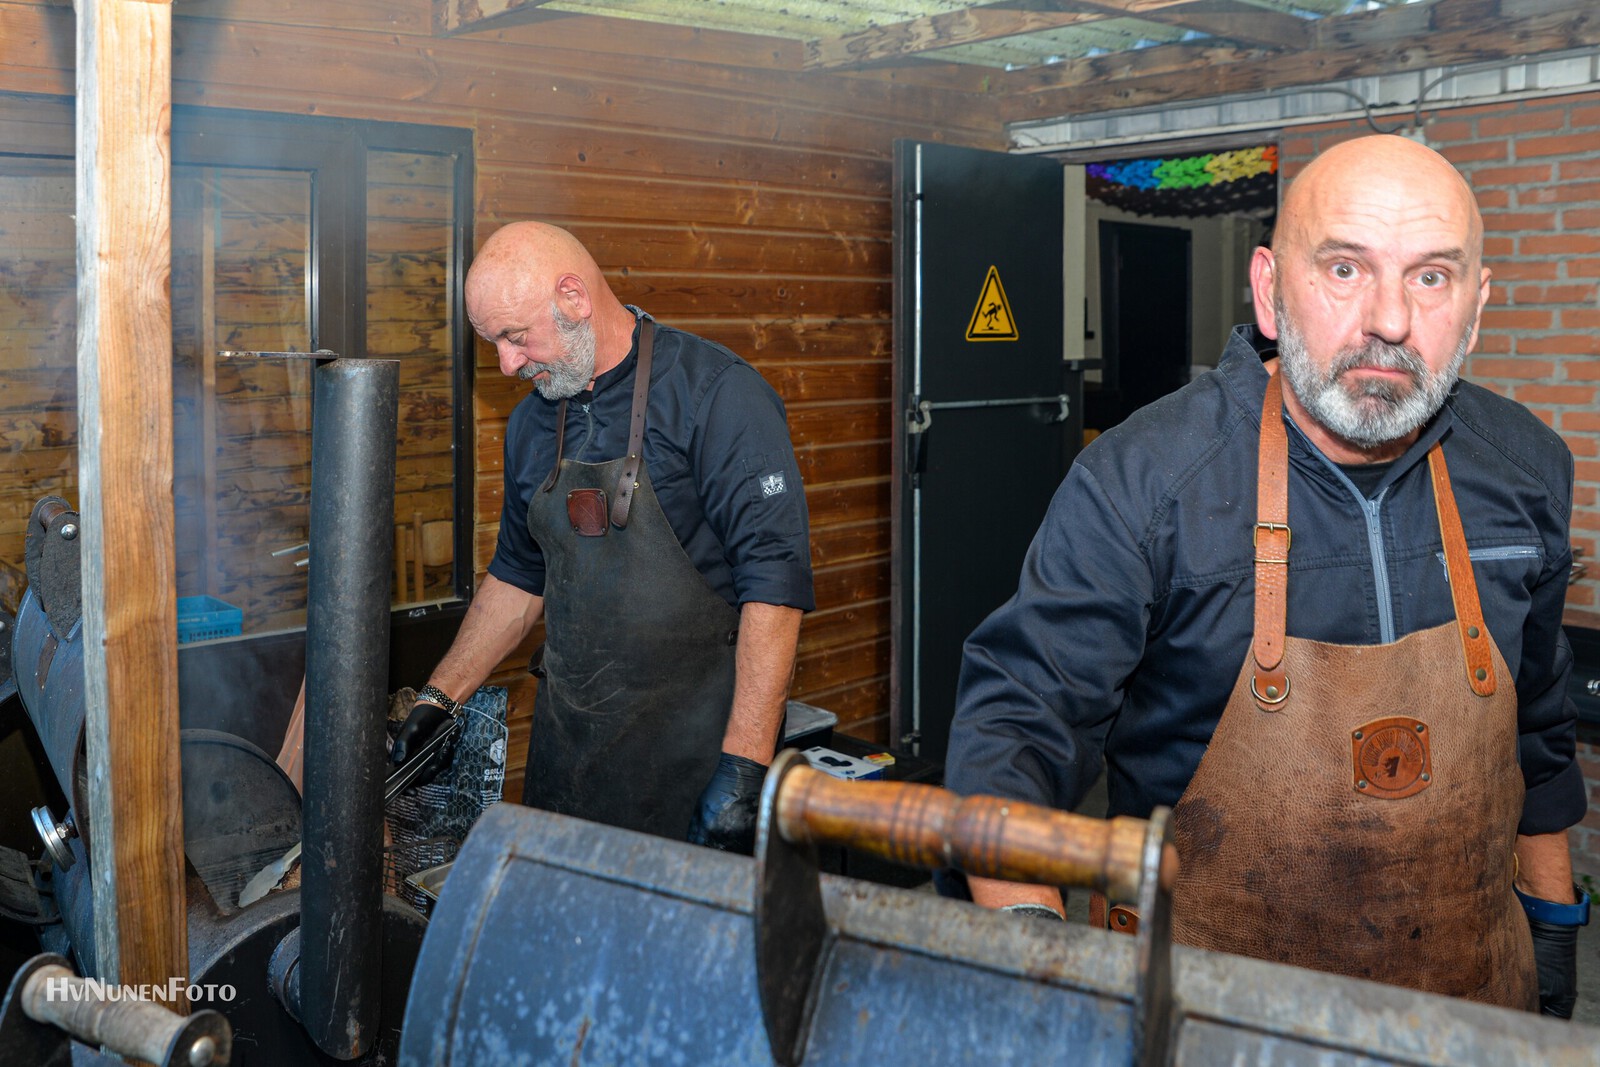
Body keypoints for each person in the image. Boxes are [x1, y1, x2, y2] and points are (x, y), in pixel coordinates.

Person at [946, 135, 1589, 1015]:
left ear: (1475, 310)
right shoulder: (1144, 481)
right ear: (1269, 290)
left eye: (1431, 277)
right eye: (1344, 269)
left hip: (1467, 1005)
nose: (1390, 321)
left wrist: (1553, 928)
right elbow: (1015, 733)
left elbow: (1539, 730)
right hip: (1203, 1014)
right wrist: (1042, 970)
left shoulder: (1525, 467)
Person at [391, 222, 814, 854]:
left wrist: (745, 770)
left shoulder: (717, 396)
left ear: (574, 298)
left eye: (514, 337)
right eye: (493, 344)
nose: (507, 364)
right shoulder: (532, 423)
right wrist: (440, 697)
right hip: (571, 764)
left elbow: (774, 585)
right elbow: (517, 576)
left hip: (698, 767)